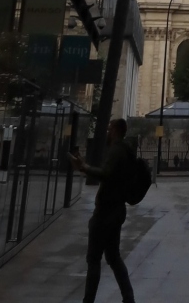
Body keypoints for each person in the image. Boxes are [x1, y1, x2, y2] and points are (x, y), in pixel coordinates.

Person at [69, 120, 135, 303]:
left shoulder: (116, 151)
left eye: (109, 129)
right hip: (117, 209)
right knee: (113, 257)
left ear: (115, 130)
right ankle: (128, 297)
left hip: (106, 211)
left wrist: (85, 167)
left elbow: (106, 174)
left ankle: (89, 300)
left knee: (94, 258)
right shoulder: (126, 151)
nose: (107, 132)